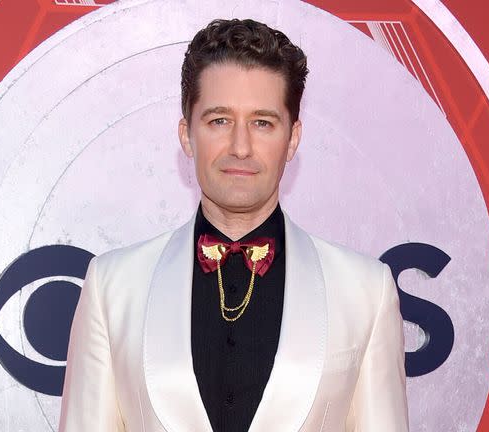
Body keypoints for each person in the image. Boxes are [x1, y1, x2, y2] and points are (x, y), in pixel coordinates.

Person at [59, 18, 408, 432]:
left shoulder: (365, 291)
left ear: (292, 138)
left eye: (262, 123)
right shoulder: (112, 287)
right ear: (186, 134)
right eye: (219, 120)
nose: (240, 147)